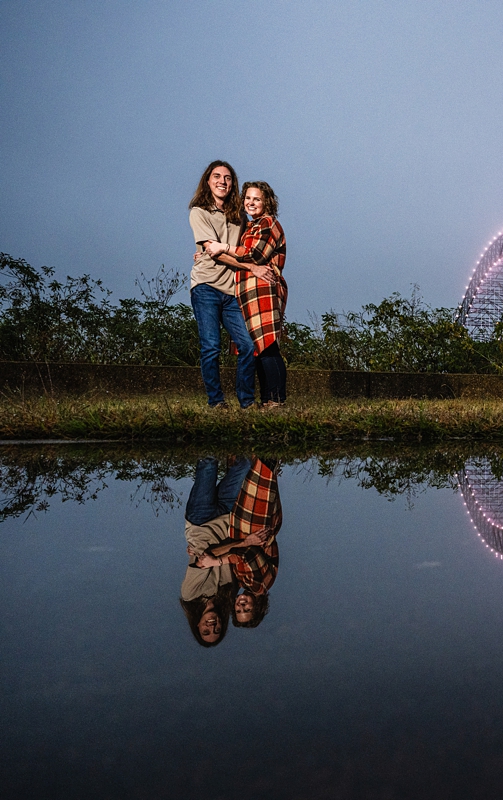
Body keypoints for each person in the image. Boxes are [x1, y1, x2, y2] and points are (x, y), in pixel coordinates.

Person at [204, 182, 288, 407]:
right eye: (247, 198)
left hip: (263, 290)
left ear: (266, 202)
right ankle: (266, 399)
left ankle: (277, 399)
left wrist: (222, 248)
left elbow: (255, 254)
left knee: (268, 346)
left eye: (257, 199)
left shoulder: (268, 223)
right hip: (247, 293)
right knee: (257, 349)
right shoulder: (251, 226)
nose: (251, 203)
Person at [188, 161, 257, 409]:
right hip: (206, 286)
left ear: (233, 184)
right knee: (211, 346)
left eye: (227, 178)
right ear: (208, 180)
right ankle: (216, 402)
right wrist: (250, 266)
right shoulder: (199, 211)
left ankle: (247, 402)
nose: (222, 182)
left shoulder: (239, 215)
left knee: (248, 346)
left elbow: (250, 246)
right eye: (216, 176)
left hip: (231, 291)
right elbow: (214, 252)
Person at [180, 455, 250, 646]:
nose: (212, 625)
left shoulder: (190, 595)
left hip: (200, 521)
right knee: (244, 465)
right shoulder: (229, 593)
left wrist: (238, 546)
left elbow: (208, 555)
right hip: (226, 517)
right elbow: (238, 559)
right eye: (217, 630)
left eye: (206, 630)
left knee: (208, 464)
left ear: (197, 626)